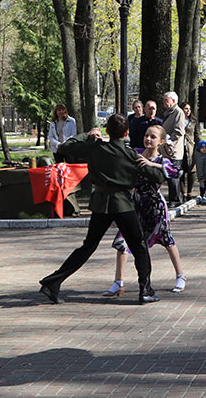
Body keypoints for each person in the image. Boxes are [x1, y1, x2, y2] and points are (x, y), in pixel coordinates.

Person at [39, 114, 164, 305]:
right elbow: (157, 176)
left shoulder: (96, 148)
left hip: (100, 203)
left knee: (88, 246)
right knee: (138, 245)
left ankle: (53, 282)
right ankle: (145, 289)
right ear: (127, 133)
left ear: (107, 131)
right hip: (123, 204)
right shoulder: (130, 154)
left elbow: (66, 146)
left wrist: (88, 135)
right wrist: (151, 164)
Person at [105, 124, 188, 297]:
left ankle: (180, 275)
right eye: (146, 135)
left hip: (155, 206)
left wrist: (151, 164)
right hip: (135, 204)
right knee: (122, 240)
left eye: (153, 137)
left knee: (166, 239)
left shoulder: (161, 161)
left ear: (161, 141)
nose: (148, 139)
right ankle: (118, 281)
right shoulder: (135, 153)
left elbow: (176, 172)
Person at [161, 92, 187, 206]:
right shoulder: (169, 112)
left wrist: (169, 140)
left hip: (174, 150)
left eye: (166, 100)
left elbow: (179, 131)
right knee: (169, 174)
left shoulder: (178, 112)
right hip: (166, 149)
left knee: (173, 174)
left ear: (173, 101)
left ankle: (175, 199)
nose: (164, 103)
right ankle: (173, 197)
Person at [180, 103, 198, 200]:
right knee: (181, 170)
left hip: (190, 147)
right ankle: (183, 192)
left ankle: (190, 191)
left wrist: (201, 145)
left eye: (189, 109)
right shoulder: (178, 120)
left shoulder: (194, 121)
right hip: (180, 147)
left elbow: (197, 134)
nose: (187, 111)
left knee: (191, 170)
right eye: (186, 109)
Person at [194, 140, 206, 204]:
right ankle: (203, 196)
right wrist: (201, 176)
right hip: (203, 176)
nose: (204, 150)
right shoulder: (199, 157)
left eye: (205, 148)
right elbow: (199, 168)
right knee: (203, 186)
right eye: (202, 148)